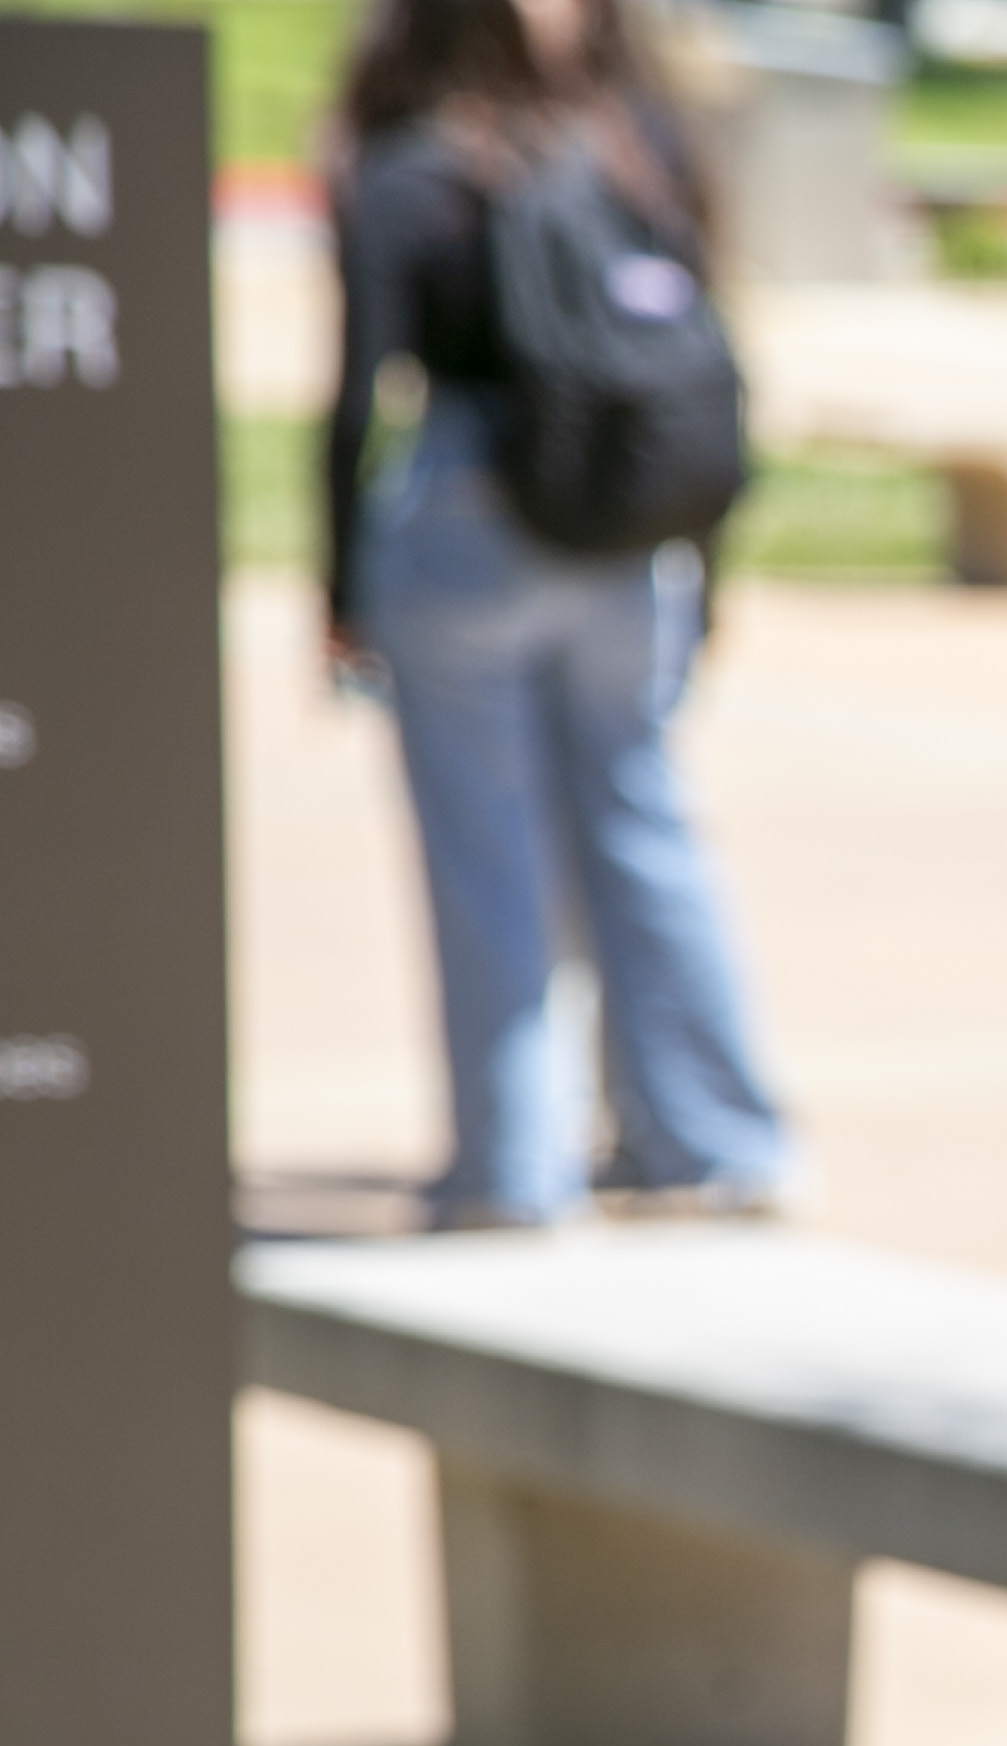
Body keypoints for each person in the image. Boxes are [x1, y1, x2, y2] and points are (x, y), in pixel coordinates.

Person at [324, 0, 792, 1230]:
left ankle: (512, 1170)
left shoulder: (413, 165)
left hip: (470, 521)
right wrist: (708, 570)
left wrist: (338, 591)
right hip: (635, 542)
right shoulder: (641, 145)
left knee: (489, 855)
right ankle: (716, 1136)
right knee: (642, 822)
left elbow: (357, 393)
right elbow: (708, 367)